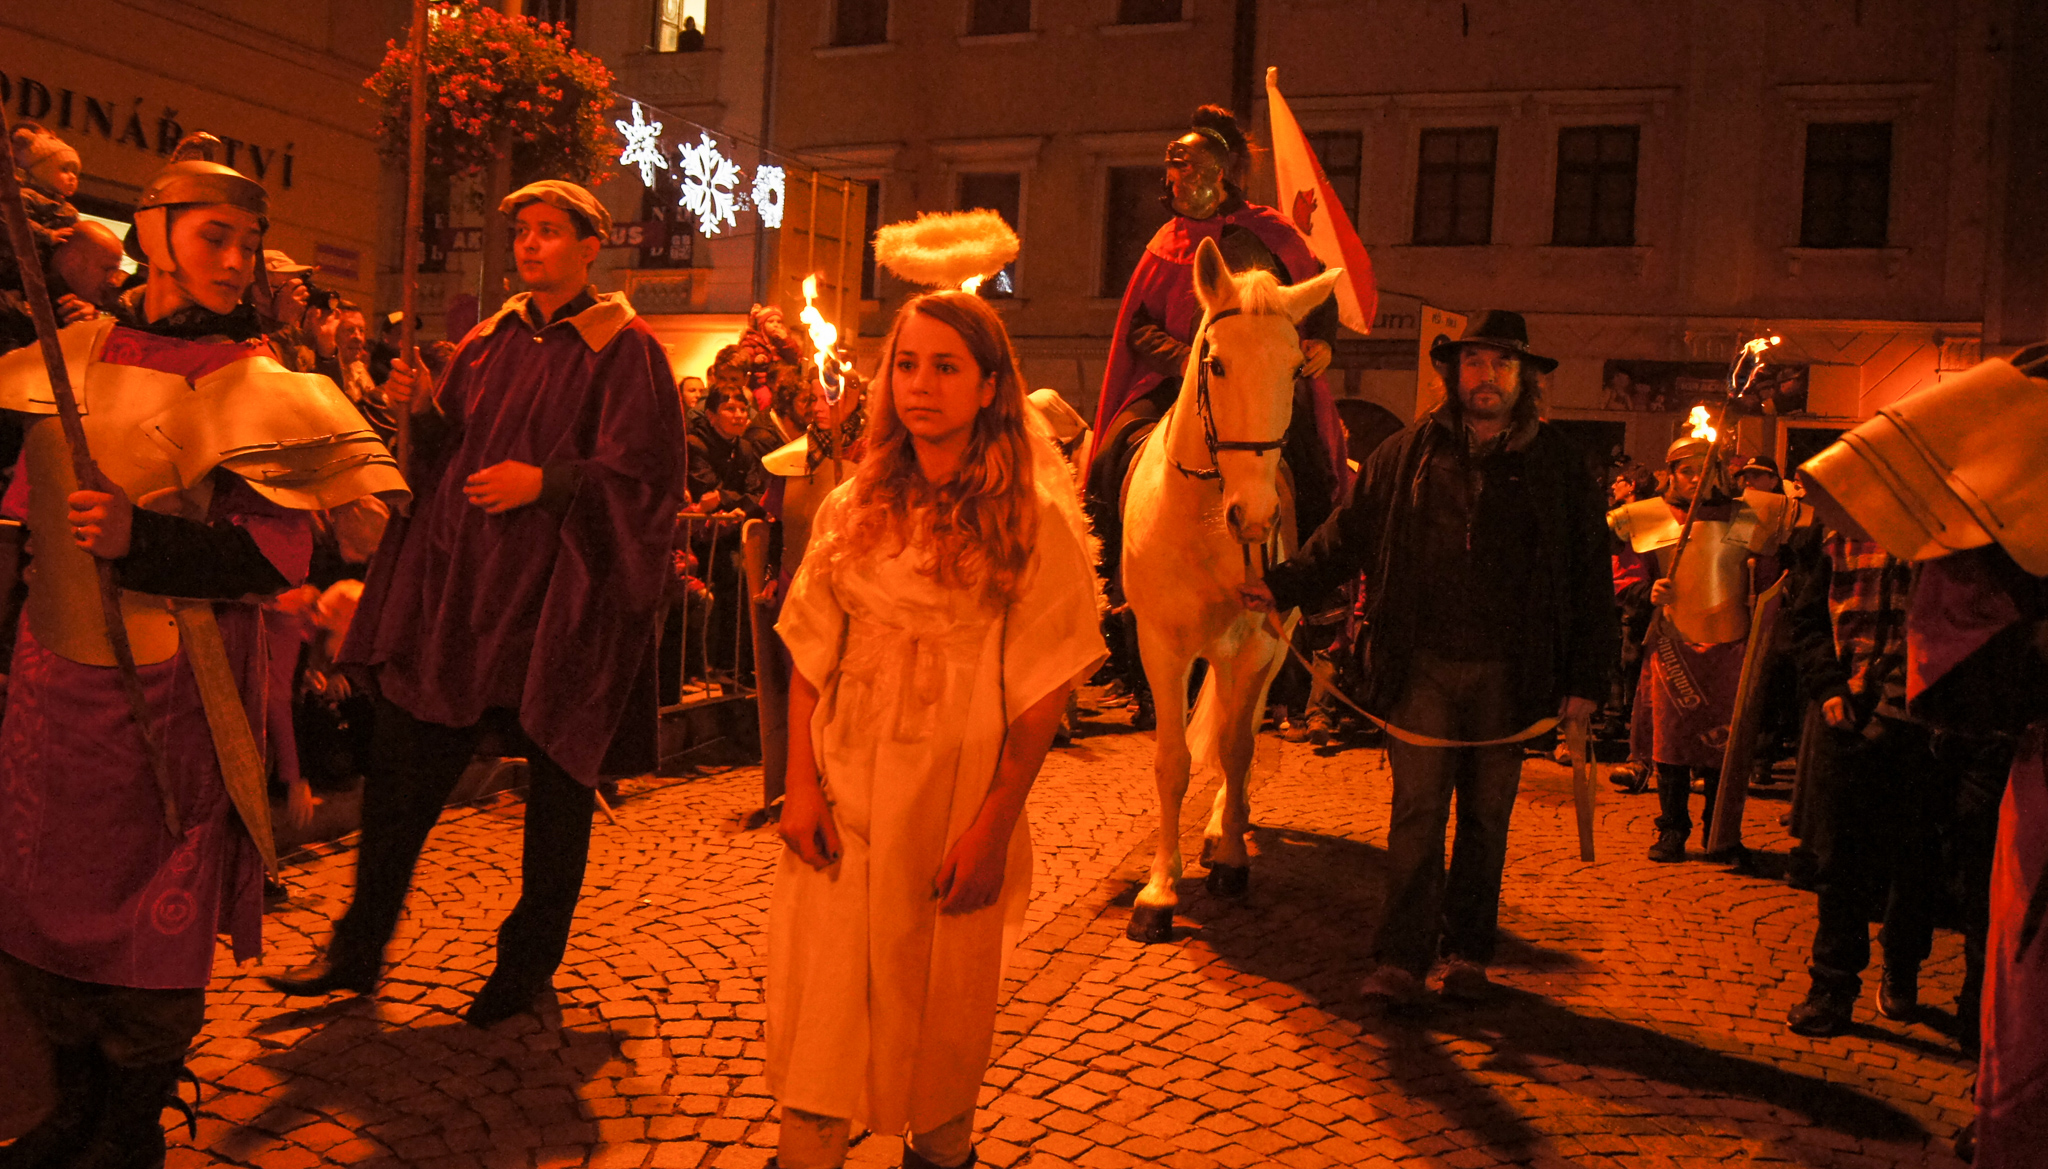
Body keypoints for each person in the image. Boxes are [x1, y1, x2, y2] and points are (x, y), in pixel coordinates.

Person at [0, 156, 404, 1168]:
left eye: (247, 243)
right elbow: (25, 519)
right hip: (53, 688)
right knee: (43, 896)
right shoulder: (70, 354)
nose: (235, 261)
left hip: (177, 691)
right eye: (214, 236)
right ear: (154, 232)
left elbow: (281, 554)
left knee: (150, 913)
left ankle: (129, 1125)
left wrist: (141, 538)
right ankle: (72, 1104)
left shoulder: (255, 379)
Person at [263, 179, 687, 1028]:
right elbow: (447, 452)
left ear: (589, 247)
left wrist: (548, 482)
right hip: (464, 601)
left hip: (556, 608)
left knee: (558, 795)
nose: (530, 244)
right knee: (400, 773)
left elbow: (646, 480)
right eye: (523, 231)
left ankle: (525, 964)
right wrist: (422, 410)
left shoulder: (625, 349)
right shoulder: (487, 342)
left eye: (549, 231)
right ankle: (357, 946)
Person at [769, 290, 1105, 1169]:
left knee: (942, 1000)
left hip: (952, 790)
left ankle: (941, 1147)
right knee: (824, 1005)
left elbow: (1040, 694)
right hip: (844, 781)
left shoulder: (1029, 518)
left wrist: (993, 825)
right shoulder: (851, 504)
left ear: (990, 386)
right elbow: (810, 657)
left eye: (946, 367)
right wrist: (798, 785)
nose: (920, 384)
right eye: (907, 365)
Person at [1241, 310, 1615, 1003]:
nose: (1487, 376)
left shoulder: (1560, 465)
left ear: (1524, 378)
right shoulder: (1407, 453)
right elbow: (1348, 533)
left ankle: (1468, 951)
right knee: (1416, 813)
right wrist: (1282, 585)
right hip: (1421, 666)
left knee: (1486, 818)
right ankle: (1402, 959)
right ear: (1454, 372)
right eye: (1475, 362)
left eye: (1502, 364)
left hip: (1512, 671)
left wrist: (1587, 678)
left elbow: (1591, 575)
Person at [1085, 103, 1348, 727]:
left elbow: (1318, 301)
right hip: (1179, 381)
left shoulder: (1273, 233)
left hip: (1258, 383)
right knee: (1114, 447)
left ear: (1218, 173)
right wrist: (1187, 359)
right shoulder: (1165, 243)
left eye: (1185, 168)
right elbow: (1139, 324)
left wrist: (1322, 343)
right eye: (1171, 169)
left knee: (1310, 459)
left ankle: (1317, 594)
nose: (1172, 180)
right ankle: (1109, 582)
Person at [1780, 533, 1956, 1036]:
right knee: (1840, 859)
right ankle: (1832, 985)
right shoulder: (1841, 538)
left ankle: (1902, 963)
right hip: (1851, 715)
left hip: (1928, 722)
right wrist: (1828, 686)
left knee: (1917, 860)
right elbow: (1808, 622)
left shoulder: (1946, 537)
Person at [1610, 432, 1795, 862]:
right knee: (1670, 743)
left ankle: (1720, 832)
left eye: (1706, 469)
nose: (1696, 478)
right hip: (1672, 643)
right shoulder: (1649, 516)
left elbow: (1770, 578)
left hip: (1731, 644)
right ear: (1671, 474)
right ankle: (1672, 828)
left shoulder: (1745, 515)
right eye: (1687, 471)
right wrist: (1647, 592)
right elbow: (1625, 577)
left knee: (1723, 746)